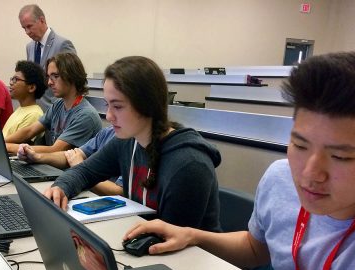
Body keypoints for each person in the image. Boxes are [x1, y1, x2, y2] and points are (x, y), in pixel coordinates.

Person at [124, 51, 355, 270]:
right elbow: (256, 248)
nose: (310, 173)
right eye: (299, 145)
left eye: (340, 157)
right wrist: (192, 236)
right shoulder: (280, 179)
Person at [44, 56, 222, 231]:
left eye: (118, 106)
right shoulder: (128, 142)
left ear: (147, 105)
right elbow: (84, 171)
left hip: (191, 257)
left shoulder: (189, 164)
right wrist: (61, 187)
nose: (109, 116)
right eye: (107, 105)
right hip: (142, 242)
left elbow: (171, 240)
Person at [5, 52, 101, 154]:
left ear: (72, 76)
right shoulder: (58, 104)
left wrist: (7, 147)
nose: (49, 82)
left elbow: (55, 150)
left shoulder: (85, 115)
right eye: (49, 77)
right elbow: (30, 131)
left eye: (55, 76)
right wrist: (2, 142)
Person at [18, 126, 123, 196]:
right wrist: (38, 157)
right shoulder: (108, 132)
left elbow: (119, 192)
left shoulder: (86, 115)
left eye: (117, 106)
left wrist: (79, 165)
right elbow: (71, 156)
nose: (108, 115)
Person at [19, 4, 77, 108]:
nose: (27, 32)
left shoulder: (63, 44)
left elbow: (72, 81)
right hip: (34, 110)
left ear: (42, 20)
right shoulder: (29, 47)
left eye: (29, 26)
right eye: (24, 28)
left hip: (56, 110)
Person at [2, 60, 45, 139]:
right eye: (12, 79)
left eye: (16, 79)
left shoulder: (34, 114)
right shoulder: (20, 109)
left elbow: (18, 147)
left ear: (31, 88)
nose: (11, 83)